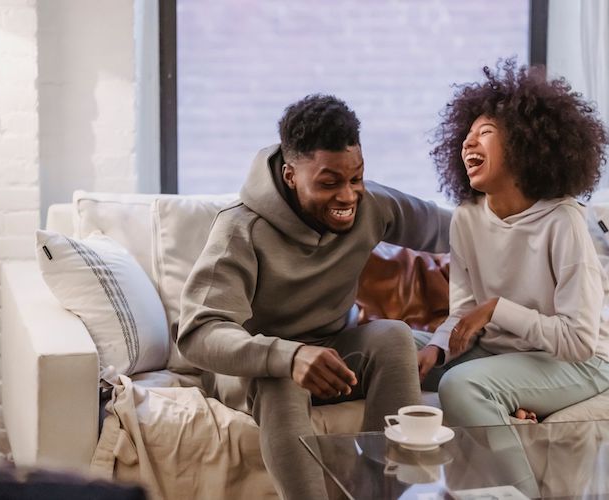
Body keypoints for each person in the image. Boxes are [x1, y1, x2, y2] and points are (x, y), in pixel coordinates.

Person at [177, 94, 451, 499]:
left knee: (393, 336)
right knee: (282, 382)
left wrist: (536, 216)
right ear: (290, 175)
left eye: (355, 178)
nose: (348, 196)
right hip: (258, 367)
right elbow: (198, 333)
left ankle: (385, 493)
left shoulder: (371, 205)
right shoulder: (241, 229)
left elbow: (455, 229)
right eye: (329, 183)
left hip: (333, 353)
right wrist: (287, 356)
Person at [416, 59, 609, 429]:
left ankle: (515, 488)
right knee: (399, 353)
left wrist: (496, 310)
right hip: (500, 352)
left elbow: (579, 342)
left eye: (486, 132)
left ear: (526, 145)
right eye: (467, 134)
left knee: (461, 384)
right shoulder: (467, 216)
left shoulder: (563, 221)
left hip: (577, 363)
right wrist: (437, 346)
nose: (468, 142)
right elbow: (463, 313)